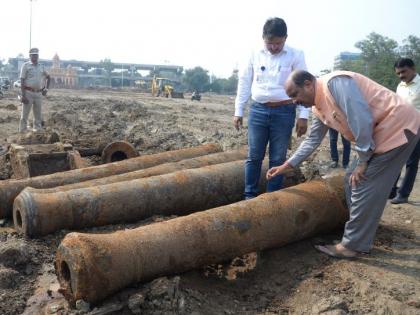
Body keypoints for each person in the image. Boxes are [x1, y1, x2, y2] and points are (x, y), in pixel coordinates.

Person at [266, 70, 420, 258]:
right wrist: (287, 165)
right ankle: (362, 229)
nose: (294, 101)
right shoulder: (318, 107)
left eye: (294, 94)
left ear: (308, 84)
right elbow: (312, 140)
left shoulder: (335, 84)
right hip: (377, 135)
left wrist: (363, 161)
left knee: (362, 181)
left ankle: (353, 246)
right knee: (349, 179)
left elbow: (361, 119)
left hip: (397, 128)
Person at [234, 17, 309, 199]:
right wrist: (238, 111)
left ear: (286, 38)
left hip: (284, 112)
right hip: (258, 110)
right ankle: (249, 196)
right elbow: (244, 82)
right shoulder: (253, 53)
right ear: (263, 38)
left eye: (278, 43)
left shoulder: (296, 54)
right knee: (254, 157)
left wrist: (303, 115)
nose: (274, 47)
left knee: (277, 158)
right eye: (270, 43)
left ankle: (272, 197)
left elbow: (304, 86)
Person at [389, 58, 420, 204]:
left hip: (417, 128)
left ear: (413, 68)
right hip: (401, 127)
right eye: (398, 73)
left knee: (411, 161)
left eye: (403, 71)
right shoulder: (400, 86)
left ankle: (403, 194)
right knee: (396, 158)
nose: (401, 75)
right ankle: (391, 190)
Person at [19, 48, 50, 133]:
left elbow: (48, 77)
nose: (35, 56)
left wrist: (46, 89)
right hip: (28, 92)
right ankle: (23, 130)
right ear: (30, 56)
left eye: (36, 55)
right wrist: (23, 95)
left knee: (38, 114)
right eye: (33, 55)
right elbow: (22, 80)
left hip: (39, 93)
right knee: (25, 114)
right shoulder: (25, 66)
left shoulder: (41, 66)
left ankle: (37, 130)